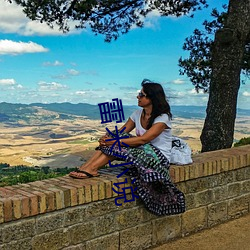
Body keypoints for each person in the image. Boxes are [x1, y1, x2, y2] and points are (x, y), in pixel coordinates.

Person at [69, 79, 185, 215]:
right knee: (115, 137)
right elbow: (123, 131)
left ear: (152, 98)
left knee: (117, 143)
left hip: (158, 157)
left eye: (142, 95)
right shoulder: (137, 114)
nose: (138, 97)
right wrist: (107, 139)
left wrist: (114, 142)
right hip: (142, 151)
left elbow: (144, 139)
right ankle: (87, 167)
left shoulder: (162, 117)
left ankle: (92, 168)